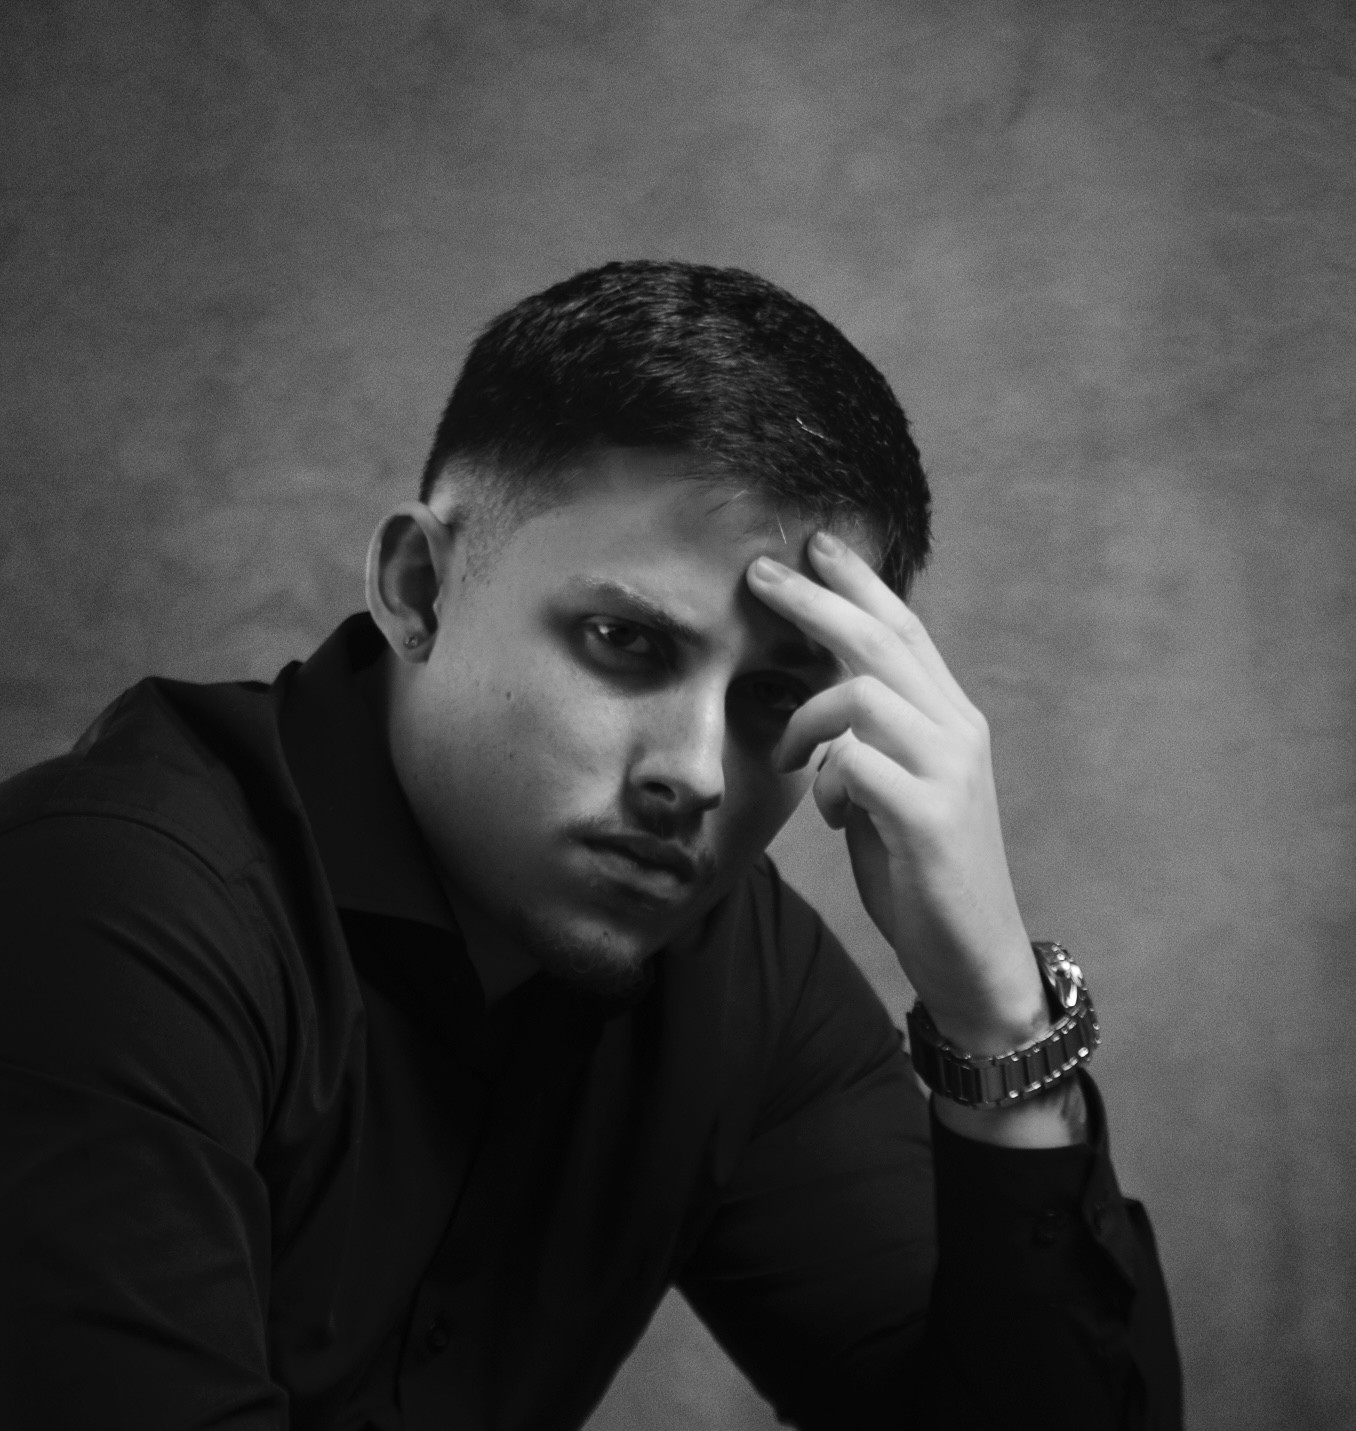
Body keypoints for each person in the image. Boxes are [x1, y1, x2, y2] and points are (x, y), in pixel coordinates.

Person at [0, 260, 1181, 1430]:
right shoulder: (108, 910)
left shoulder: (744, 977)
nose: (696, 772)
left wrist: (996, 1019)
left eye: (776, 696)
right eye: (625, 641)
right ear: (418, 591)